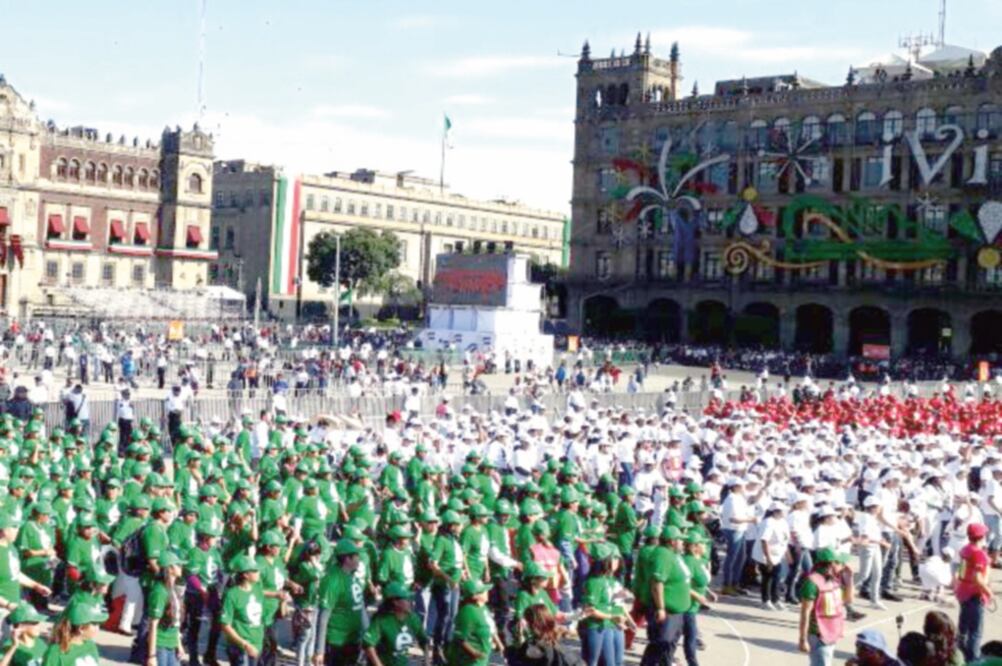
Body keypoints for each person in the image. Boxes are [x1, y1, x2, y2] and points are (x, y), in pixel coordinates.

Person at [315, 539, 366, 666]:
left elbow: (361, 607)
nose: (359, 559)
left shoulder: (353, 576)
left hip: (353, 639)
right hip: (337, 641)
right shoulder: (333, 579)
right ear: (347, 559)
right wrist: (319, 650)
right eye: (356, 556)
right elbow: (323, 617)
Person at [798, 548, 848, 666]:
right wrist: (803, 640)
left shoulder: (834, 579)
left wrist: (849, 580)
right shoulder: (812, 582)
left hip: (831, 632)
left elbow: (846, 601)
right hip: (819, 635)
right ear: (831, 564)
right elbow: (805, 613)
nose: (844, 566)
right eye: (840, 563)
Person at [362, 581, 428, 666]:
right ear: (395, 602)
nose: (411, 602)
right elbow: (368, 644)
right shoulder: (381, 620)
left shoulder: (412, 618)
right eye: (407, 599)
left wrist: (427, 662)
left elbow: (424, 641)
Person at [955, 523, 994, 662]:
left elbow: (961, 570)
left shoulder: (965, 549)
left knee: (963, 628)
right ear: (982, 536)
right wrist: (990, 593)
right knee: (975, 632)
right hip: (975, 594)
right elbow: (978, 578)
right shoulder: (979, 554)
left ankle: (960, 655)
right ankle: (973, 659)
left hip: (963, 591)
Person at [220, 554, 266, 666]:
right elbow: (225, 625)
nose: (258, 573)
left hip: (257, 644)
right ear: (245, 574)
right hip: (241, 649)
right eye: (255, 571)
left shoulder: (257, 589)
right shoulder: (232, 595)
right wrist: (245, 644)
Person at [445, 580, 501, 666]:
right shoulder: (467, 612)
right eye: (483, 591)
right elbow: (459, 639)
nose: (487, 592)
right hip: (467, 662)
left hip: (481, 660)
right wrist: (474, 653)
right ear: (475, 596)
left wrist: (498, 643)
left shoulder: (483, 607)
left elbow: (491, 627)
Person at [145, 552, 186, 666]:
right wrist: (151, 656)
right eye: (178, 564)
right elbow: (152, 624)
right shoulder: (159, 592)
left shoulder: (174, 588)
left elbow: (175, 623)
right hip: (160, 646)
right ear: (170, 569)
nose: (181, 567)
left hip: (172, 644)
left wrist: (179, 645)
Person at [41, 601, 107, 666]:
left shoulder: (90, 645)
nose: (98, 628)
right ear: (81, 629)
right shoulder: (55, 652)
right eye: (95, 624)